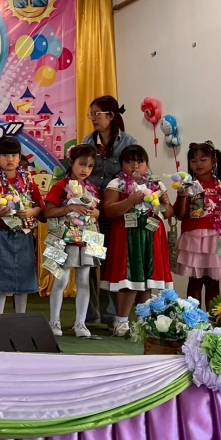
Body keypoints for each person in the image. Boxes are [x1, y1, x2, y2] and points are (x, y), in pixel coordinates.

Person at [101, 145, 173, 336]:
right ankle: (121, 321)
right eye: (129, 161)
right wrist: (129, 201)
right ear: (121, 164)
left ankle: (143, 322)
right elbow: (109, 211)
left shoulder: (156, 183)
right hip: (127, 237)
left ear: (146, 164)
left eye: (140, 162)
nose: (135, 166)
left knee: (146, 281)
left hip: (151, 236)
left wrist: (165, 203)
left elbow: (168, 214)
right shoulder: (117, 183)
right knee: (129, 279)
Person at [82, 96, 137, 326]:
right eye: (91, 114)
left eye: (97, 114)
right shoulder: (88, 141)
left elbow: (138, 173)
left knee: (110, 263)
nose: (93, 118)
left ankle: (110, 313)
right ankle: (89, 313)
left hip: (114, 215)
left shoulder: (128, 142)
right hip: (91, 215)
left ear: (111, 116)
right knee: (89, 261)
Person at [0, 136, 44, 315]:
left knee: (23, 277)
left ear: (19, 157)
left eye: (14, 155)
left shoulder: (28, 180)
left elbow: (40, 207)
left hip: (24, 235)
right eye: (5, 155)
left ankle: (21, 317)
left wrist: (32, 212)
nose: (10, 159)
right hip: (0, 234)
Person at [44, 144, 101, 338]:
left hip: (88, 238)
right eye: (82, 164)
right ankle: (54, 320)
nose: (85, 169)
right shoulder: (61, 186)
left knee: (84, 281)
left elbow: (97, 213)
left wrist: (95, 212)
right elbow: (48, 212)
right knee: (61, 280)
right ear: (71, 162)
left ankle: (80, 323)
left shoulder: (92, 189)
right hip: (65, 239)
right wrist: (69, 208)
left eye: (90, 166)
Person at [174, 141, 221, 310]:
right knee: (194, 282)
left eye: (203, 159)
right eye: (193, 161)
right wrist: (181, 196)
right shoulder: (188, 185)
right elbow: (179, 215)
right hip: (193, 239)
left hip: (216, 238)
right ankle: (193, 320)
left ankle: (215, 320)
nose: (198, 164)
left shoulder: (220, 184)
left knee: (213, 283)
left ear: (214, 161)